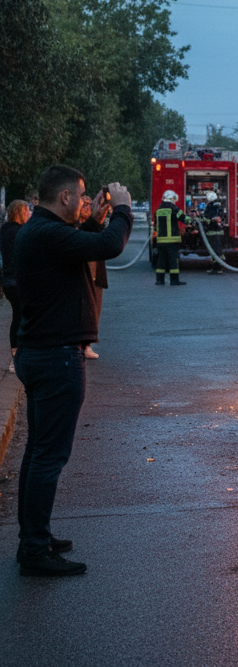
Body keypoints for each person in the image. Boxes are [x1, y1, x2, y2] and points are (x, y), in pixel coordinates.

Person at [13, 166, 132, 576]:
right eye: (80, 196)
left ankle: (35, 537)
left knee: (37, 452)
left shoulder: (41, 230)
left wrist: (98, 216)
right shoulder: (47, 233)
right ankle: (34, 551)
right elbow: (110, 246)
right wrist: (122, 211)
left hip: (41, 353)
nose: (83, 202)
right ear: (63, 197)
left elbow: (88, 243)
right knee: (49, 455)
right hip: (56, 356)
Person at [75, 195, 105, 359]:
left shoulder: (95, 225)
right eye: (84, 204)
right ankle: (80, 343)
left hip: (96, 272)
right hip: (83, 273)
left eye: (89, 204)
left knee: (95, 309)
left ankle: (87, 344)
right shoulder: (74, 226)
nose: (87, 208)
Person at [2, 200, 31, 354]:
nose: (29, 214)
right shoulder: (17, 232)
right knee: (21, 317)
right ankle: (17, 352)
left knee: (19, 315)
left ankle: (17, 351)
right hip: (17, 281)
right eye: (27, 211)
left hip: (10, 281)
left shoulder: (7, 230)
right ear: (19, 213)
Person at [154, 189, 191, 285]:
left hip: (160, 240)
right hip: (172, 240)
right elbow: (185, 219)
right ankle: (174, 280)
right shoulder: (173, 208)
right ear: (173, 198)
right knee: (173, 260)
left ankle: (159, 280)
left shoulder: (158, 210)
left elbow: (155, 225)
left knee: (161, 260)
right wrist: (191, 219)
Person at [202, 191, 226, 275]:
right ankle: (216, 267)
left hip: (214, 233)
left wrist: (203, 220)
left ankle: (217, 268)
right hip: (216, 232)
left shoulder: (212, 207)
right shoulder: (218, 207)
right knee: (215, 252)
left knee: (216, 252)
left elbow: (210, 218)